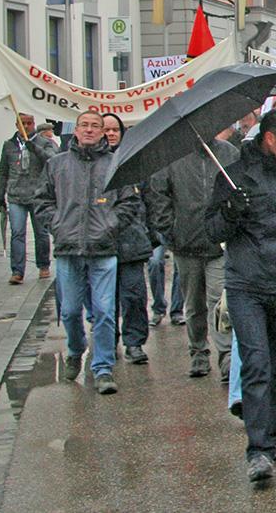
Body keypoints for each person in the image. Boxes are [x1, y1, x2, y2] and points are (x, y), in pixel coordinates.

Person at [205, 109, 276, 483]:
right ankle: (256, 450)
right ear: (269, 138)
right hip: (246, 286)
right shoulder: (234, 177)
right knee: (256, 364)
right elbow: (211, 230)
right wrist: (231, 213)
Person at [35, 111, 141, 395]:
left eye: (96, 126)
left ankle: (103, 367)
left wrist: (110, 226)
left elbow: (129, 202)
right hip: (68, 249)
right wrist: (56, 225)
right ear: (76, 129)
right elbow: (42, 200)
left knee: (105, 311)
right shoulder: (57, 165)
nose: (91, 130)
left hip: (103, 249)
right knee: (69, 310)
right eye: (85, 125)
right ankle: (75, 348)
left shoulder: (115, 165)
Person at [148, 125, 240, 380]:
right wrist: (170, 229)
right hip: (185, 243)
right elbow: (159, 195)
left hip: (218, 243)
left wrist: (232, 218)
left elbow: (239, 188)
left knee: (219, 302)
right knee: (194, 304)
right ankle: (198, 351)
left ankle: (226, 356)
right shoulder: (172, 157)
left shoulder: (228, 153)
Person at [101, 114, 153, 366]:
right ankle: (107, 341)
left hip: (132, 242)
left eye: (115, 130)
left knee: (133, 296)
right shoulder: (93, 165)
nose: (111, 134)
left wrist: (153, 234)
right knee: (104, 300)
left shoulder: (135, 162)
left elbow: (150, 200)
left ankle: (134, 343)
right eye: (106, 129)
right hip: (101, 244)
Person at [0, 112, 57, 284]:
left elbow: (53, 160)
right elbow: (3, 171)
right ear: (17, 125)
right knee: (17, 233)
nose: (27, 126)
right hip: (16, 195)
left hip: (38, 196)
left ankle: (43, 265)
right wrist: (0, 194)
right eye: (23, 123)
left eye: (30, 123)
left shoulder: (44, 143)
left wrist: (35, 148)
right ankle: (17, 271)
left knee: (41, 233)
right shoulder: (9, 145)